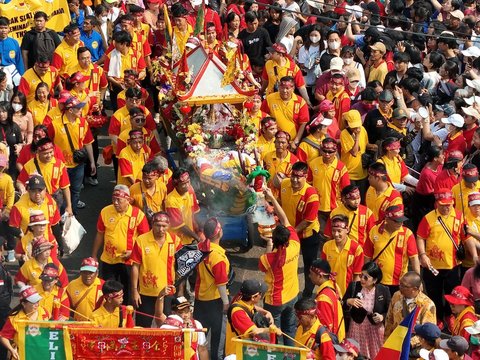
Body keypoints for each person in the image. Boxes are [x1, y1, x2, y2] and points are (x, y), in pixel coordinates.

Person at [417, 188, 476, 322]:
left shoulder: (459, 216)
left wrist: (474, 255)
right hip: (432, 265)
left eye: (449, 205)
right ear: (436, 203)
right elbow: (420, 237)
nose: (446, 208)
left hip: (453, 265)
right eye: (443, 205)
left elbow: (466, 238)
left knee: (452, 293)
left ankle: (450, 317)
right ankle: (437, 318)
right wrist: (422, 255)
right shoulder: (428, 218)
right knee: (434, 293)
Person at [91, 185, 149, 305]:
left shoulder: (138, 214)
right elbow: (100, 234)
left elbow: (145, 239)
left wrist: (133, 253)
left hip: (128, 261)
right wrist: (94, 255)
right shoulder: (105, 211)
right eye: (114, 199)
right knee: (108, 292)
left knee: (127, 294)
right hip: (108, 260)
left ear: (127, 200)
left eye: (119, 200)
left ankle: (125, 319)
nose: (116, 203)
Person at [260, 187, 301, 345]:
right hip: (293, 295)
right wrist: (272, 198)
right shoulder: (295, 244)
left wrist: (269, 243)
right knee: (290, 330)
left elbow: (263, 265)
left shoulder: (269, 259)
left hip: (274, 301)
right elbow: (285, 220)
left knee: (274, 334)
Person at [130, 212, 181, 327]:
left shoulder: (175, 241)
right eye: (158, 225)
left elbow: (181, 267)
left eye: (164, 226)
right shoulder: (141, 240)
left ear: (169, 226)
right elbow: (135, 266)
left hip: (167, 292)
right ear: (152, 224)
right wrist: (134, 290)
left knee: (166, 327)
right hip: (146, 292)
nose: (161, 229)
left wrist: (180, 289)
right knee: (143, 327)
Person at [277, 162, 320, 298]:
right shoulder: (284, 184)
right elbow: (279, 202)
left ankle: (307, 292)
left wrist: (291, 232)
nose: (295, 180)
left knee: (309, 265)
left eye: (299, 177)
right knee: (284, 260)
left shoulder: (311, 195)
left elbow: (308, 220)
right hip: (288, 232)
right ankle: (283, 287)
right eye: (293, 176)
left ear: (306, 177)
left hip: (307, 235)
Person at [47, 96, 95, 214]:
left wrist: (92, 161)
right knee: (61, 192)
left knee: (76, 191)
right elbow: (48, 144)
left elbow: (88, 143)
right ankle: (62, 215)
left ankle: (72, 215)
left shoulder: (83, 123)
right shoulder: (54, 125)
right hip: (61, 166)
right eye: (78, 109)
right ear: (70, 110)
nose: (81, 111)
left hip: (78, 164)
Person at [193, 217, 230, 360]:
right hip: (215, 302)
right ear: (219, 233)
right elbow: (221, 283)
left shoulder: (200, 248)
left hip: (199, 300)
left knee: (199, 339)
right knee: (217, 341)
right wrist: (226, 303)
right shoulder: (218, 257)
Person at [364, 204, 420, 295]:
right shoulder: (374, 231)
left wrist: (417, 281)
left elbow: (414, 258)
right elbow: (367, 256)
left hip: (400, 283)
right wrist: (366, 277)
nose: (401, 223)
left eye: (402, 220)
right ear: (387, 220)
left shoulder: (407, 233)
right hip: (378, 281)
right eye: (397, 221)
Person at [343, 262, 390, 359]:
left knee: (375, 355)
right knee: (353, 355)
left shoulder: (383, 290)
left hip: (374, 331)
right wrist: (348, 301)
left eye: (366, 277)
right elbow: (341, 304)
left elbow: (390, 311)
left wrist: (382, 316)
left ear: (375, 280)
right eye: (361, 275)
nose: (362, 279)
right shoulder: (354, 286)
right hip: (356, 328)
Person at [9, 174, 62, 257]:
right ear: (28, 190)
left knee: (52, 269)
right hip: (28, 247)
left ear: (45, 190)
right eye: (34, 191)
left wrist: (60, 243)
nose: (37, 194)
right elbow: (12, 226)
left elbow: (55, 225)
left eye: (40, 190)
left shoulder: (50, 201)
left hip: (48, 244)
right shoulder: (19, 206)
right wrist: (21, 236)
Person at [16, 138, 72, 216]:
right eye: (45, 153)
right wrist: (22, 188)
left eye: (51, 152)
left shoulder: (59, 165)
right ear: (38, 152)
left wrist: (69, 206)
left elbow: (65, 187)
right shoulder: (29, 165)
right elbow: (19, 182)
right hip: (36, 201)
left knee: (54, 223)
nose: (49, 155)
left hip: (55, 200)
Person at [224, 279, 278, 357]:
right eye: (260, 293)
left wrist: (266, 312)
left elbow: (252, 307)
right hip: (237, 354)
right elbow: (255, 331)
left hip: (247, 351)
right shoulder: (238, 313)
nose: (261, 295)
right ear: (253, 297)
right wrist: (272, 330)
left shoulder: (243, 301)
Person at [309, 138, 350, 228]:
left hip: (335, 208)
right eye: (324, 151)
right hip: (317, 207)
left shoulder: (341, 168)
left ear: (335, 152)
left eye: (330, 152)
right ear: (321, 150)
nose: (327, 154)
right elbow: (308, 185)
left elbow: (346, 190)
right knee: (320, 234)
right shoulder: (313, 164)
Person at [0, 285, 49, 359]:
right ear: (23, 304)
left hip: (40, 353)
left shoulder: (44, 312)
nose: (37, 304)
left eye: (38, 301)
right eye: (33, 302)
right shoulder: (14, 319)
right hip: (22, 355)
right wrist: (12, 350)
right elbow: (3, 337)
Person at [261, 76, 309, 149]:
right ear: (279, 87)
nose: (284, 91)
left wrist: (296, 141)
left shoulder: (300, 102)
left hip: (291, 143)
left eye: (287, 88)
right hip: (273, 142)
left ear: (293, 88)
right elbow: (262, 117)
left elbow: (303, 123)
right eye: (282, 87)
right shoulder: (270, 99)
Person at [385, 271, 436, 338]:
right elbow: (389, 319)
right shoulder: (396, 295)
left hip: (414, 346)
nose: (400, 287)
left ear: (414, 289)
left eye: (404, 286)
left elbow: (427, 332)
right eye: (400, 284)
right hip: (395, 342)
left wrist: (407, 344)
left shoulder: (427, 305)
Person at [321, 215, 363, 296]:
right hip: (330, 291)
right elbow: (323, 271)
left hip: (347, 293)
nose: (336, 234)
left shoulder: (356, 249)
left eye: (339, 231)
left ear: (347, 230)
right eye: (333, 231)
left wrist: (353, 294)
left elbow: (357, 275)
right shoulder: (326, 246)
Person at [309, 259, 345, 342]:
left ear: (320, 276)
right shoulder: (333, 284)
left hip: (331, 340)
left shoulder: (323, 299)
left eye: (311, 274)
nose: (309, 276)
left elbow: (326, 328)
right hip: (339, 334)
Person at [165, 168, 202, 245]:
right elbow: (180, 226)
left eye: (188, 182)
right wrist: (197, 238)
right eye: (183, 184)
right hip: (178, 241)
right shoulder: (171, 200)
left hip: (191, 237)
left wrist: (199, 231)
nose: (187, 186)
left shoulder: (190, 191)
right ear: (176, 185)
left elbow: (194, 214)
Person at [340, 110, 369, 199]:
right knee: (351, 199)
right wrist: (357, 137)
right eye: (354, 127)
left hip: (363, 172)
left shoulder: (363, 129)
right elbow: (354, 152)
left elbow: (366, 145)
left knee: (362, 199)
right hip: (350, 174)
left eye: (357, 126)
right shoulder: (344, 134)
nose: (356, 128)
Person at [66, 257, 104, 321]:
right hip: (77, 325)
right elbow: (66, 306)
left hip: (97, 326)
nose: (87, 275)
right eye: (85, 272)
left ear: (97, 273)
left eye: (91, 272)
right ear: (80, 272)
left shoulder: (103, 285)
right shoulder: (72, 285)